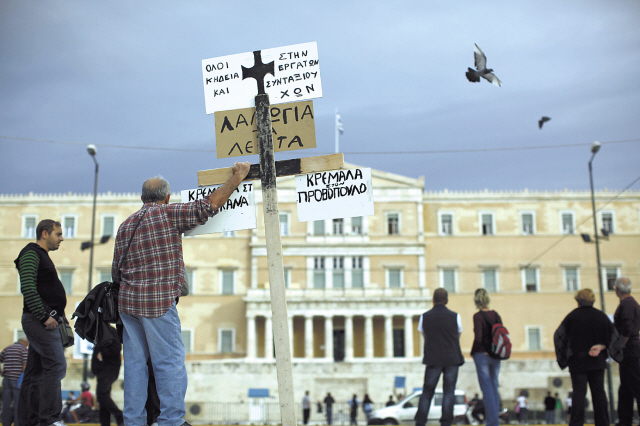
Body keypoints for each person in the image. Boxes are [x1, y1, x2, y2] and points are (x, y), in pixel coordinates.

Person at [113, 163, 250, 426]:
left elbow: (115, 270)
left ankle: (134, 421)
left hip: (128, 305)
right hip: (158, 303)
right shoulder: (168, 214)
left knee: (134, 367)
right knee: (169, 362)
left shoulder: (125, 225)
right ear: (167, 198)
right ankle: (171, 421)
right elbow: (209, 205)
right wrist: (237, 178)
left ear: (142, 199)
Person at [14, 219, 67, 426]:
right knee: (56, 365)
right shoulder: (31, 253)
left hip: (42, 321)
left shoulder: (40, 255)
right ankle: (50, 419)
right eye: (58, 234)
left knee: (34, 373)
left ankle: (28, 421)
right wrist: (45, 316)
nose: (62, 238)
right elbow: (27, 287)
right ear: (44, 234)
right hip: (41, 321)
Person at [554, 289, 613, 426]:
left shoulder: (572, 317)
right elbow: (613, 336)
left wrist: (564, 359)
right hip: (597, 360)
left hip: (577, 361)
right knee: (599, 392)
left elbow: (558, 336)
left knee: (579, 393)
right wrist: (602, 346)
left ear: (577, 300)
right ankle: (603, 422)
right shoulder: (601, 316)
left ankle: (576, 423)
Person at [415, 288, 464, 426]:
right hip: (452, 358)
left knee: (427, 391)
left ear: (433, 299)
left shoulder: (424, 316)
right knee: (449, 391)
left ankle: (420, 422)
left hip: (433, 357)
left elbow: (425, 336)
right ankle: (446, 422)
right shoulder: (456, 316)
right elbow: (457, 336)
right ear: (447, 300)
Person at [470, 288, 502, 426]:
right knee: (494, 387)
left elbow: (478, 338)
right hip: (496, 355)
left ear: (476, 301)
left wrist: (473, 352)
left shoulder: (477, 316)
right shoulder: (496, 315)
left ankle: (492, 422)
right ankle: (494, 421)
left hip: (482, 354)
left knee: (487, 389)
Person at [612, 277, 640, 426]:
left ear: (617, 289)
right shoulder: (631, 303)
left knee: (635, 384)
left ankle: (625, 419)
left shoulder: (627, 305)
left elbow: (627, 328)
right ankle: (624, 419)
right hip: (631, 349)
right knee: (626, 387)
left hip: (630, 350)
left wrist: (621, 345)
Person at [91, 325, 124, 426]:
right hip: (104, 369)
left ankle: (119, 415)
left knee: (102, 395)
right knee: (103, 397)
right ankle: (105, 423)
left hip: (108, 369)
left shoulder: (109, 331)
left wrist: (102, 351)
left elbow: (116, 348)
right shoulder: (101, 330)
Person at [1, 337, 28, 426]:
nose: (27, 344)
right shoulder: (23, 349)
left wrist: (1, 372)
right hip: (17, 380)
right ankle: (17, 424)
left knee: (6, 404)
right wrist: (24, 379)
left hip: (6, 380)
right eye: (27, 343)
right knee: (18, 404)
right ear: (23, 342)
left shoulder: (7, 349)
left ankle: (5, 423)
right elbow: (25, 365)